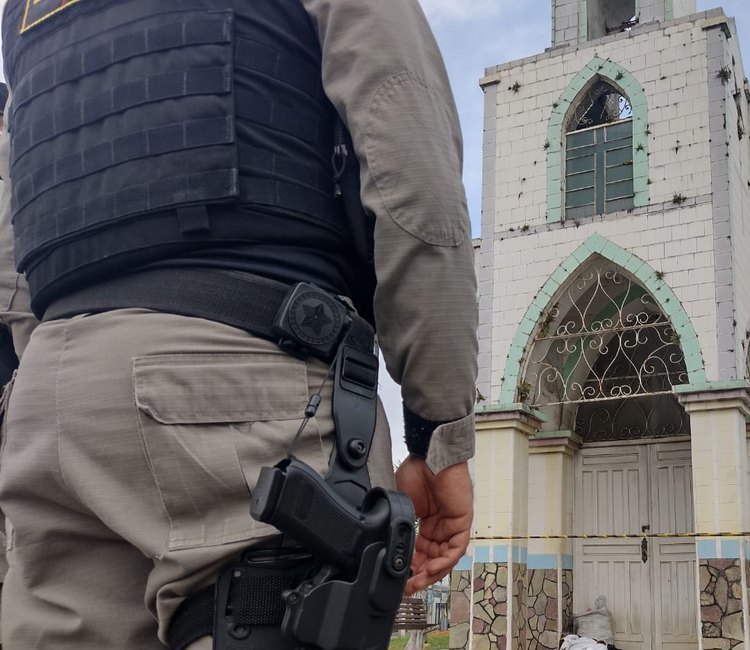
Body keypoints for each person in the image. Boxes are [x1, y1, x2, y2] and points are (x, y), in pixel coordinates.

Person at [0, 1, 478, 648]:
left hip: (49, 412)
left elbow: (19, 224)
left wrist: (63, 373)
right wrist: (438, 434)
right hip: (240, 392)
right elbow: (415, 179)